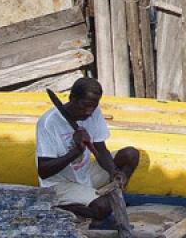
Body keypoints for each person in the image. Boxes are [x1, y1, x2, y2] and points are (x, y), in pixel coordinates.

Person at [36, 77, 139, 228]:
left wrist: (113, 171)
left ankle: (107, 200)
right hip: (59, 184)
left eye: (94, 106)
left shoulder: (93, 112)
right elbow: (44, 171)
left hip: (84, 174)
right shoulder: (48, 123)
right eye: (85, 106)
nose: (89, 111)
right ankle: (61, 207)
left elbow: (101, 149)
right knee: (103, 207)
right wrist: (76, 151)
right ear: (72, 99)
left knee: (131, 155)